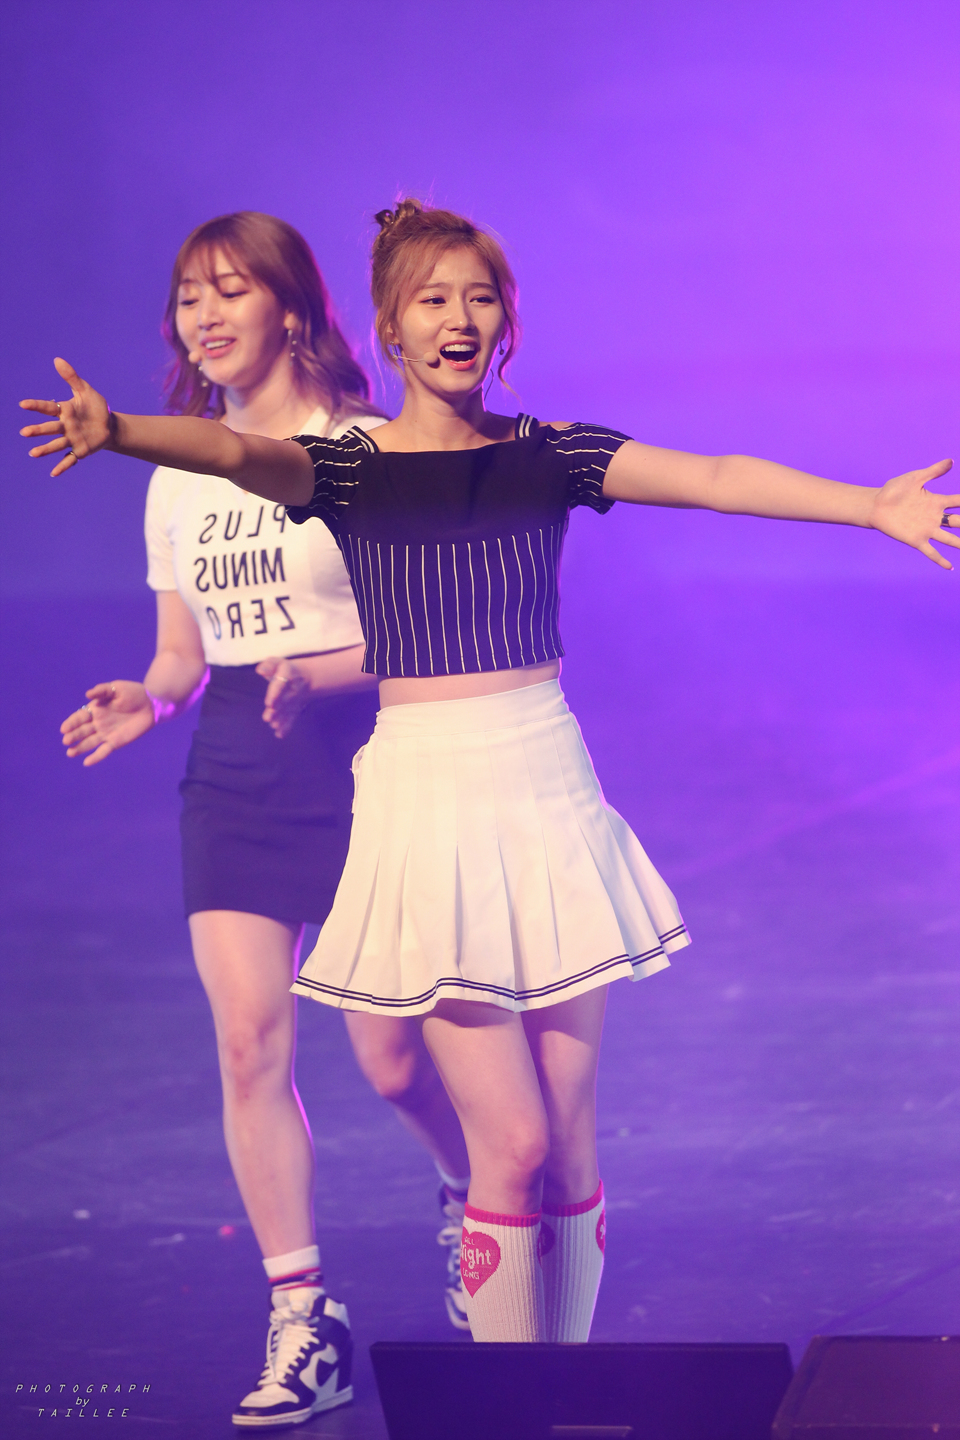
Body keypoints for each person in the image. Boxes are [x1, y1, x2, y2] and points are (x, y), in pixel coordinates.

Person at [22, 199, 958, 1355]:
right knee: (507, 1144)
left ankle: (557, 1387)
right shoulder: (348, 468)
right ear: (392, 329)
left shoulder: (549, 454)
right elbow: (230, 451)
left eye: (479, 298)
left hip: (547, 793)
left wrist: (871, 506)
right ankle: (510, 1398)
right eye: (433, 300)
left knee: (568, 1146)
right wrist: (120, 431)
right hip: (423, 806)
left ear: (505, 322)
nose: (458, 319)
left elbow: (714, 474)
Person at [49, 212, 471, 1431]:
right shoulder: (178, 473)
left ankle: (470, 1195)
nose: (205, 317)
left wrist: (323, 673)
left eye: (230, 290)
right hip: (235, 765)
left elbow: (434, 626)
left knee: (393, 1061)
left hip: (366, 756)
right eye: (188, 298)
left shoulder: (361, 448)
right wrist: (150, 696)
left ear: (291, 307)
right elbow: (183, 651)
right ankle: (303, 1318)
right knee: (247, 1045)